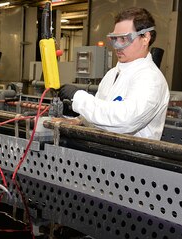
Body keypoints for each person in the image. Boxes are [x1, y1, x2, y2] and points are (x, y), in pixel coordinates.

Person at [58, 8, 169, 140]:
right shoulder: (112, 74)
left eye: (124, 39)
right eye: (114, 39)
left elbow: (125, 121)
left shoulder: (151, 78)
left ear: (145, 38)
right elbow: (104, 113)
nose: (117, 46)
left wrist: (78, 98)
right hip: (105, 152)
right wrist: (80, 119)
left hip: (131, 158)